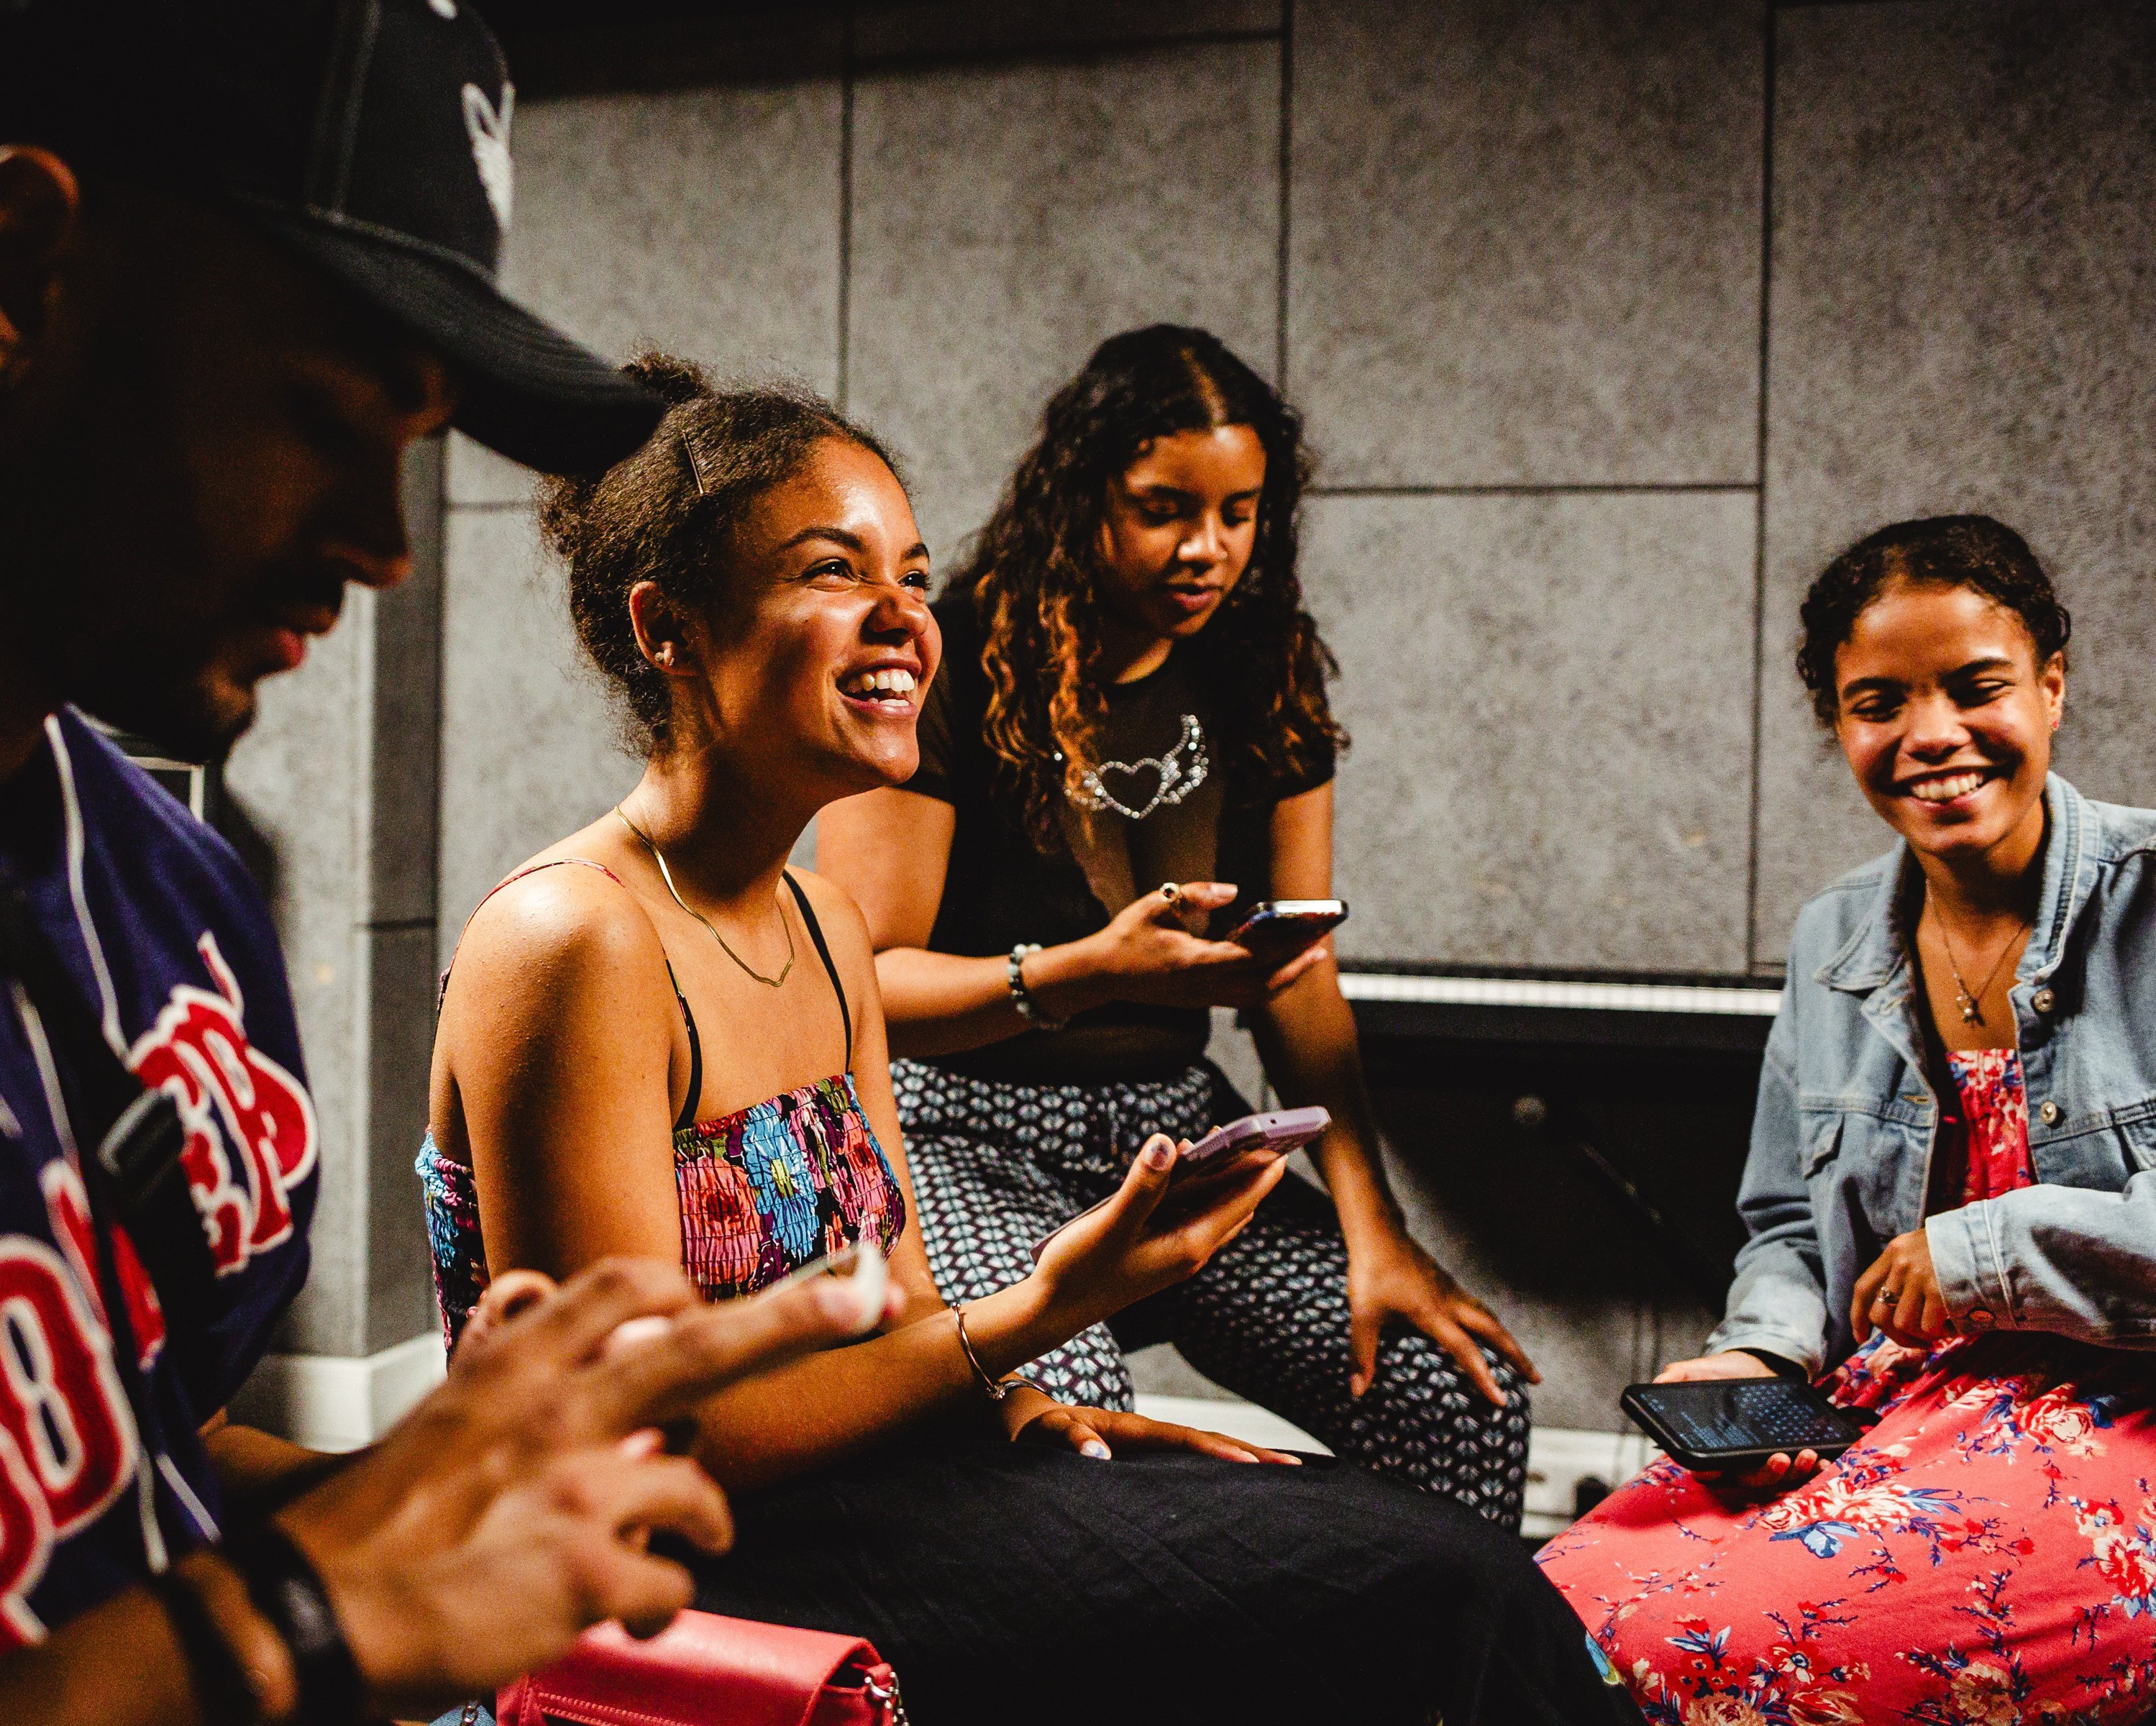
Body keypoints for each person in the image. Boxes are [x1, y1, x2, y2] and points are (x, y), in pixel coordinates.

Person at [421, 355, 1646, 1726]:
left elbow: (885, 1315)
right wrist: (1048, 1310)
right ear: (670, 629)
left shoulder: (824, 927)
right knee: (1441, 1601)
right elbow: (641, 1431)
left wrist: (1024, 1414)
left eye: (913, 568)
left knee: (1429, 1565)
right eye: (836, 572)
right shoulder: (570, 943)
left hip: (890, 1488)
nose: (904, 617)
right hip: (699, 1561)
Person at [0, 4, 874, 1722]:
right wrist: (290, 1626)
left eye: (406, 450)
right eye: (318, 414)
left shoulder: (172, 898)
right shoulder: (565, 931)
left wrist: (445, 1491)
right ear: (25, 270)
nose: (386, 549)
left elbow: (128, 1478)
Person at [815, 324, 1537, 1523]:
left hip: (1179, 1144)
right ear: (1082, 495)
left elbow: (1299, 975)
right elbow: (865, 986)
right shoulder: (950, 656)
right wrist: (1086, 975)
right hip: (959, 1140)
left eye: (1239, 512)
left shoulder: (1264, 666)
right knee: (1065, 1434)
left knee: (1450, 1397)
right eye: (1163, 510)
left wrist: (1376, 1229)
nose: (1208, 550)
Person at [1538, 516, 2156, 1723]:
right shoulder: (1831, 937)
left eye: (1976, 688)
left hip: (2125, 1419)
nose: (1930, 737)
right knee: (1546, 1610)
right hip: (1890, 1408)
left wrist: (1981, 1253)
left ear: (2052, 686)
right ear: (1839, 725)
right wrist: (1757, 1357)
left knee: (1695, 1655)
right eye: (1878, 704)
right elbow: (1782, 1223)